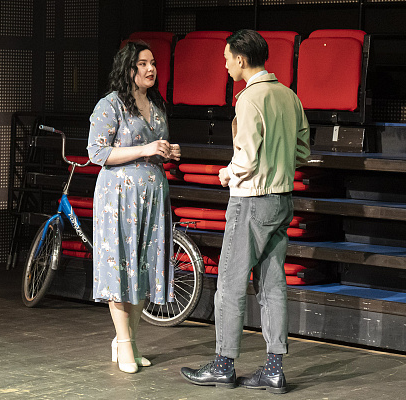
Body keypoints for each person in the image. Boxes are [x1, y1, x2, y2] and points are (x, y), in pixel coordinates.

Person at [180, 30, 310, 393]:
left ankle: (223, 365)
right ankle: (273, 369)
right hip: (282, 199)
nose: (225, 65)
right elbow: (302, 151)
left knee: (229, 284)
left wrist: (228, 172)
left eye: (227, 58)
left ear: (241, 59)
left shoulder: (250, 98)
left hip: (252, 200)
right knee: (272, 285)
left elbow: (247, 159)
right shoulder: (289, 96)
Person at [87, 41, 181, 374]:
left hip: (152, 197)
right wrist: (145, 149)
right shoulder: (110, 104)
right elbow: (98, 153)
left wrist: (167, 152)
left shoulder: (156, 104)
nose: (150, 69)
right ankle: (124, 342)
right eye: (143, 63)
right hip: (119, 198)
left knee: (145, 267)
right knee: (120, 267)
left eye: (152, 62)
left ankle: (130, 339)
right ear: (129, 69)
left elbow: (153, 147)